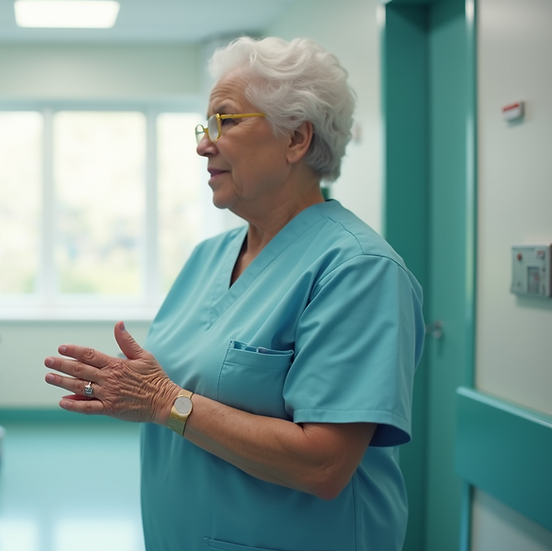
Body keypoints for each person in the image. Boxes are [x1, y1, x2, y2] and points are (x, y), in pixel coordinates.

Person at [43, 37, 423, 551]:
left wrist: (163, 401)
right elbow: (179, 384)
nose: (203, 144)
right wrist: (136, 390)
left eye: (226, 121)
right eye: (205, 126)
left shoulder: (358, 270)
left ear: (296, 139)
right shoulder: (208, 257)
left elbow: (325, 463)